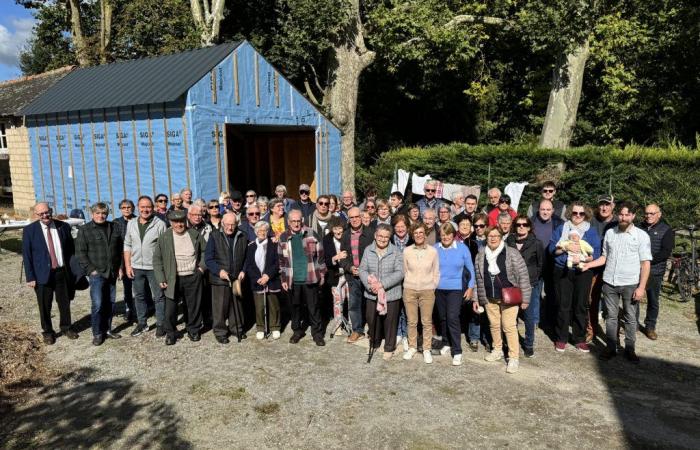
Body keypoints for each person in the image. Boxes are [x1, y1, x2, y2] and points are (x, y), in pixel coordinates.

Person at [583, 201, 651, 364]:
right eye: (621, 214)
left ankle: (629, 348)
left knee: (630, 317)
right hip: (609, 282)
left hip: (630, 283)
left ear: (633, 216)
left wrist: (641, 287)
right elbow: (604, 257)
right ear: (617, 214)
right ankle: (611, 347)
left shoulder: (641, 236)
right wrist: (589, 265)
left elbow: (645, 264)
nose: (624, 217)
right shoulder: (610, 233)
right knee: (611, 317)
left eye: (628, 214)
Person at [475, 227, 532, 374]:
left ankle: (513, 357)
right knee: (494, 325)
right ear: (486, 238)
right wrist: (477, 298)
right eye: (490, 236)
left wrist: (525, 298)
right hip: (489, 297)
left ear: (501, 237)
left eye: (496, 236)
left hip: (509, 297)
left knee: (508, 326)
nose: (493, 238)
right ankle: (498, 349)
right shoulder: (481, 255)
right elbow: (477, 279)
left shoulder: (511, 253)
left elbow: (523, 276)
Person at [22, 202, 79, 344]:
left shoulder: (63, 227)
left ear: (51, 211)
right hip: (42, 274)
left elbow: (71, 251)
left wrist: (74, 271)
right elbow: (27, 256)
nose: (45, 215)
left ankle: (66, 327)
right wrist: (30, 277)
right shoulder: (30, 230)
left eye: (47, 212)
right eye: (41, 214)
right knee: (44, 305)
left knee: (64, 302)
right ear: (36, 215)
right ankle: (48, 332)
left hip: (61, 272)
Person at [549, 202, 601, 353]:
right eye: (575, 213)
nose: (578, 216)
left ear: (586, 215)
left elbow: (596, 253)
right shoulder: (562, 228)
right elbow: (552, 248)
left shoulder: (590, 231)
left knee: (580, 305)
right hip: (563, 270)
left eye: (581, 213)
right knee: (563, 305)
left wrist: (583, 259)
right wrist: (564, 247)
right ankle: (561, 338)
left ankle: (579, 338)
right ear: (570, 213)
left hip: (583, 272)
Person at [153, 210, 206, 345]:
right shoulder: (164, 237)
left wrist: (201, 268)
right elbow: (157, 259)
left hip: (192, 276)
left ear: (185, 221)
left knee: (193, 305)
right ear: (170, 222)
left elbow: (205, 252)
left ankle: (193, 329)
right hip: (173, 278)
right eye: (175, 222)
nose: (179, 224)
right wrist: (161, 278)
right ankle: (171, 333)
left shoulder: (194, 234)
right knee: (170, 308)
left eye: (181, 221)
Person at [76, 202, 123, 346]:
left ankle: (107, 329)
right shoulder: (85, 230)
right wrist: (91, 270)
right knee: (98, 304)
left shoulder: (114, 227)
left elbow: (120, 249)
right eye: (98, 213)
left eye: (104, 213)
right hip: (97, 274)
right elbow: (80, 253)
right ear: (92, 214)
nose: (101, 216)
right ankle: (97, 333)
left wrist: (120, 267)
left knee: (110, 303)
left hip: (112, 272)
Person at [278, 209, 327, 345]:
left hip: (310, 277)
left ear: (302, 221)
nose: (296, 223)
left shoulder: (312, 234)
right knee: (295, 307)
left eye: (298, 221)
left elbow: (321, 257)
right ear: (288, 222)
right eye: (293, 221)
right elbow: (281, 261)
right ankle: (297, 331)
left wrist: (322, 274)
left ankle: (317, 334)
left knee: (313, 307)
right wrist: (283, 279)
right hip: (292, 279)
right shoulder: (283, 237)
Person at [124, 195, 168, 337]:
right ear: (138, 207)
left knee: (159, 297)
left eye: (148, 207)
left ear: (153, 208)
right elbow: (127, 245)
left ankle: (161, 324)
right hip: (136, 266)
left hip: (154, 267)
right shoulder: (131, 224)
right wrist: (128, 265)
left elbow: (165, 248)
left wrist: (163, 269)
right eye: (142, 207)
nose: (145, 209)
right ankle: (142, 323)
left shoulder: (160, 224)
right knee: (139, 296)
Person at [359, 224, 404, 361]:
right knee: (372, 320)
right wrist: (370, 285)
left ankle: (389, 348)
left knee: (390, 322)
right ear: (375, 236)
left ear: (389, 238)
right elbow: (362, 270)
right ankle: (375, 342)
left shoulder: (395, 251)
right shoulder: (368, 250)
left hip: (391, 294)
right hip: (372, 293)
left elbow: (400, 272)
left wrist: (382, 284)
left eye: (386, 237)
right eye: (380, 236)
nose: (383, 239)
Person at [434, 223, 475, 366]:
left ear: (453, 235)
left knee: (452, 317)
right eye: (443, 234)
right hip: (438, 289)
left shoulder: (462, 248)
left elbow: (471, 269)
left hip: (456, 289)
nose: (446, 237)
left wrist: (470, 287)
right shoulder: (435, 248)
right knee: (443, 318)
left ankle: (457, 350)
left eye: (449, 234)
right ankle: (446, 342)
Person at [205, 212, 248, 344]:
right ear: (222, 224)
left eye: (233, 224)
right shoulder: (214, 236)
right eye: (227, 224)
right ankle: (220, 332)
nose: (230, 227)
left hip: (236, 277)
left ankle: (237, 329)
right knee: (220, 307)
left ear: (236, 224)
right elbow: (209, 259)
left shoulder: (242, 236)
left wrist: (243, 270)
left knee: (237, 305)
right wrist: (219, 271)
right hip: (220, 278)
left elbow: (246, 257)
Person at [506, 216, 545, 357]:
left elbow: (541, 264)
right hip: (512, 284)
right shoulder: (509, 241)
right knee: (511, 315)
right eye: (518, 224)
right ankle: (511, 342)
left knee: (529, 316)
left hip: (530, 285)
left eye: (524, 224)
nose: (521, 227)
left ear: (529, 227)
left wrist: (533, 279)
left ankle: (528, 344)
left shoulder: (536, 243)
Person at [402, 222, 439, 363]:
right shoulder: (407, 251)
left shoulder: (432, 251)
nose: (418, 235)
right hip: (410, 290)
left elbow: (436, 271)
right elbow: (404, 270)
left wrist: (432, 285)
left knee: (426, 321)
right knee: (412, 321)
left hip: (427, 290)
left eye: (421, 233)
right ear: (412, 234)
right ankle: (412, 347)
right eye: (415, 233)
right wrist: (409, 283)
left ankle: (426, 349)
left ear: (425, 234)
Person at [639, 203, 674, 340]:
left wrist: (647, 261)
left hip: (655, 271)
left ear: (659, 214)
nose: (648, 216)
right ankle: (632, 324)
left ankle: (650, 327)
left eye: (652, 213)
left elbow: (665, 252)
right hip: (637, 270)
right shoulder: (638, 227)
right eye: (646, 213)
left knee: (653, 300)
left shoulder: (666, 230)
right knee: (633, 298)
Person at [243, 221, 282, 340]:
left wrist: (267, 276)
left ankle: (275, 327)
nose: (262, 233)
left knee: (273, 305)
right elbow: (249, 264)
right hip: (257, 281)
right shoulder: (251, 246)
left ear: (267, 231)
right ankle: (261, 327)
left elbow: (277, 262)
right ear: (255, 232)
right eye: (259, 231)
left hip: (271, 279)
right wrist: (258, 278)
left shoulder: (274, 244)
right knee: (259, 306)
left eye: (264, 230)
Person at [340, 206, 374, 343]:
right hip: (352, 276)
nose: (354, 220)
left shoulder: (371, 234)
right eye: (351, 217)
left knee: (370, 304)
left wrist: (365, 270)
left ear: (361, 217)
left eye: (356, 217)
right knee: (354, 304)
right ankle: (357, 330)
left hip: (368, 276)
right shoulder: (345, 235)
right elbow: (343, 256)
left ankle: (373, 330)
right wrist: (349, 267)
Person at [587, 195, 618, 342]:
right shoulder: (592, 221)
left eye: (607, 205)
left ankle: (613, 336)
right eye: (601, 205)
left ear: (613, 206)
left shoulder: (619, 222)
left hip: (613, 268)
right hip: (594, 267)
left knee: (612, 303)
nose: (604, 208)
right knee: (592, 300)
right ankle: (591, 329)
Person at [323, 216, 350, 336]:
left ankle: (351, 323)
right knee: (337, 301)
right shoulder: (326, 240)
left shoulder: (348, 237)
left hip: (349, 274)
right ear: (331, 229)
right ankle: (338, 324)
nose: (338, 231)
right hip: (335, 274)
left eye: (340, 228)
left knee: (350, 299)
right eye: (335, 229)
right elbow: (325, 260)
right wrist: (335, 258)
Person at [391, 214, 413, 350]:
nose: (400, 229)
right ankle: (398, 332)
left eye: (402, 226)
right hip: (393, 279)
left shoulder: (411, 241)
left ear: (407, 227)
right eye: (397, 226)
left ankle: (405, 334)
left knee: (406, 308)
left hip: (409, 279)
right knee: (395, 307)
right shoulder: (390, 241)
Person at [114, 199, 136, 323]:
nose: (126, 209)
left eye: (128, 207)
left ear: (133, 208)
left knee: (141, 286)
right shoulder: (116, 223)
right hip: (123, 258)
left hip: (137, 257)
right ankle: (129, 310)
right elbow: (116, 244)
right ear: (120, 209)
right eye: (123, 207)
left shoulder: (138, 220)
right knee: (127, 287)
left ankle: (145, 307)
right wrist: (120, 266)